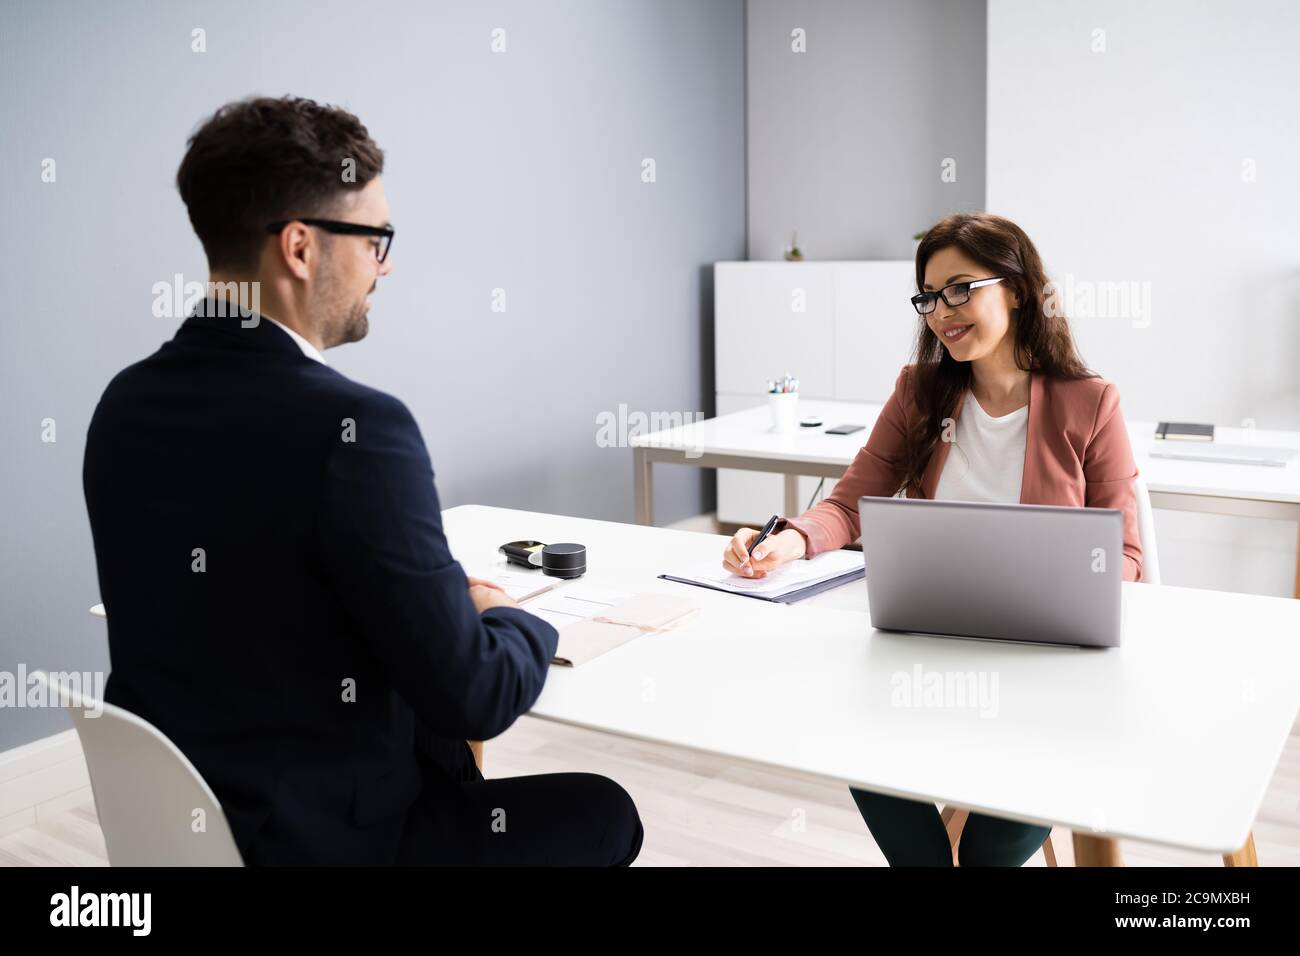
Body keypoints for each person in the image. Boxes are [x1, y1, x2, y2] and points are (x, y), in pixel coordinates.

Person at [83, 96, 641, 866]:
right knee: (607, 813)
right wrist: (508, 612)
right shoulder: (356, 430)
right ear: (301, 248)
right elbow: (477, 694)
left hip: (193, 828)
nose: (386, 263)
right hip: (330, 842)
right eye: (376, 238)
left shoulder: (123, 405)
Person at [721, 211, 1142, 866]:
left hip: (1045, 674)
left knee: (986, 852)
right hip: (930, 653)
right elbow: (850, 502)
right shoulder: (920, 393)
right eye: (929, 296)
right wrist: (793, 541)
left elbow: (1127, 559)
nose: (941, 310)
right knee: (848, 729)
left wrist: (1076, 597)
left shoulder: (1089, 402)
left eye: (960, 289)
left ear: (1019, 289)